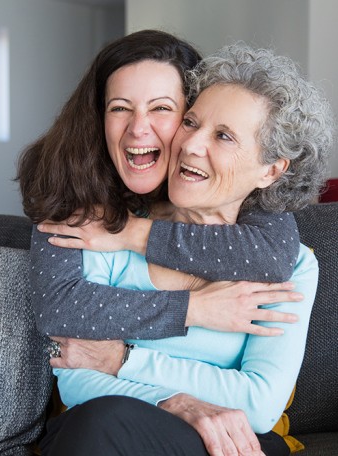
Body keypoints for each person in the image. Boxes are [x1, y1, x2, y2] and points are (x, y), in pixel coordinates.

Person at [39, 43, 333, 456]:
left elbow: (260, 404)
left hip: (229, 441)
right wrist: (175, 402)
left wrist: (124, 361)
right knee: (97, 423)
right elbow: (75, 374)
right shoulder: (106, 231)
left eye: (224, 136)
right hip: (108, 430)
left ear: (271, 170)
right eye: (191, 123)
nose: (191, 145)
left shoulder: (290, 263)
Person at [17, 30, 302, 346]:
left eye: (162, 108)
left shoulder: (224, 183)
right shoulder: (68, 180)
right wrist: (192, 309)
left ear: (190, 116)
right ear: (98, 117)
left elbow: (271, 256)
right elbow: (58, 308)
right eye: (120, 107)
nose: (138, 129)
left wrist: (132, 233)